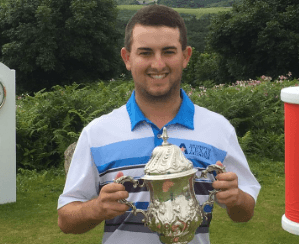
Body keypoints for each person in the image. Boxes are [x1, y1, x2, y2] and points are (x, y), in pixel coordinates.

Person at [57, 4, 260, 243]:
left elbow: (244, 213)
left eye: (168, 52)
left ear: (186, 56)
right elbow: (66, 220)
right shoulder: (97, 133)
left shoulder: (219, 129)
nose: (158, 64)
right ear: (127, 58)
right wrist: (97, 208)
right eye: (145, 53)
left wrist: (236, 199)